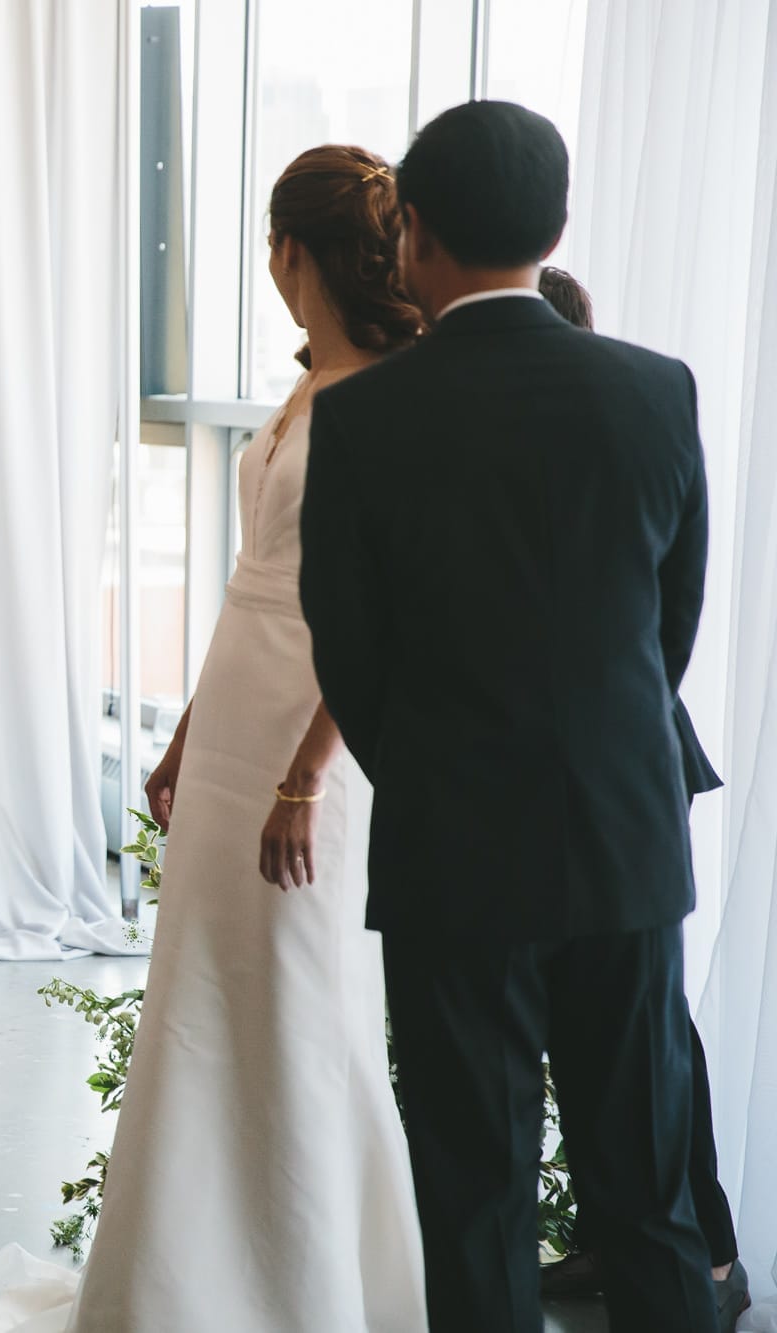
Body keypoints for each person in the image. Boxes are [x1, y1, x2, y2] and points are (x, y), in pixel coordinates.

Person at [0, 146, 429, 1332]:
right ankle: (193, 1278)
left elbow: (379, 616)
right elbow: (249, 586)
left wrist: (302, 775)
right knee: (205, 997)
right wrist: (182, 735)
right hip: (231, 725)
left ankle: (312, 1288)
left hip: (306, 750)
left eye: (271, 245)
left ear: (291, 250)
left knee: (295, 997)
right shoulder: (302, 384)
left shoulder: (387, 392)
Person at [299, 101, 713, 1333]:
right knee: (646, 1198)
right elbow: (666, 628)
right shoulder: (654, 391)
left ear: (412, 233)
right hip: (622, 838)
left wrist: (432, 763)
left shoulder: (364, 417)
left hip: (449, 850)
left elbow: (347, 643)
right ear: (557, 224)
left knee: (473, 1198)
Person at [533, 265, 750, 1328]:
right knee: (601, 1021)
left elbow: (666, 610)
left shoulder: (600, 440)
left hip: (629, 763)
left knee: (647, 1027)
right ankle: (610, 1237)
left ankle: (705, 1253)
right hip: (599, 765)